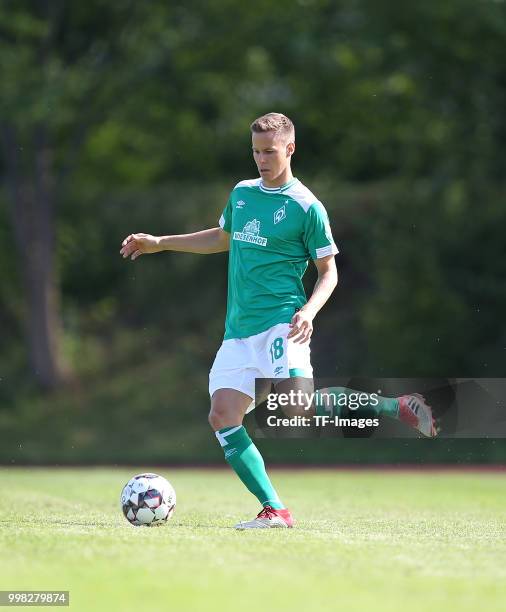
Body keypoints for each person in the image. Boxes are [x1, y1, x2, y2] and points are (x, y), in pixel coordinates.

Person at [120, 112, 435, 530]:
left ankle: (397, 407)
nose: (261, 159)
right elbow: (222, 237)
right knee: (222, 414)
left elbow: (329, 272)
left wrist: (308, 311)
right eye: (255, 152)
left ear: (290, 149)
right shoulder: (243, 193)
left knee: (297, 407)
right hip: (239, 330)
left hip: (281, 323)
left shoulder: (307, 207)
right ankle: (275, 509)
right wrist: (160, 242)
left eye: (269, 151)